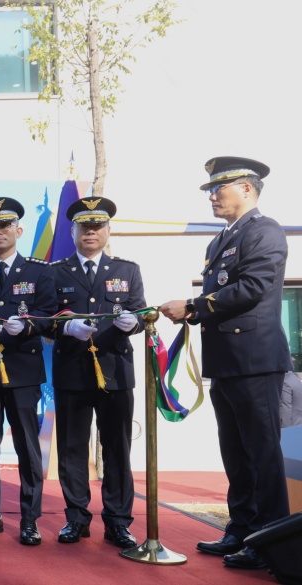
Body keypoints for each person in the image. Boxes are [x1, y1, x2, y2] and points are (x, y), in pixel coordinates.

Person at [160, 156, 291, 570]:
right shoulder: (218, 242)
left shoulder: (264, 231)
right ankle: (241, 528)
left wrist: (194, 306)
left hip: (254, 360)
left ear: (247, 189)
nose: (212, 195)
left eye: (220, 188)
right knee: (235, 453)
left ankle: (271, 541)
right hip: (227, 362)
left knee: (262, 455)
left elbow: (252, 286)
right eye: (210, 190)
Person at [46, 196, 144, 548]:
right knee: (72, 448)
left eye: (97, 225)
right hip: (72, 370)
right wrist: (63, 328)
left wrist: (134, 323)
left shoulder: (127, 270)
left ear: (107, 229)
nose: (90, 231)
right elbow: (42, 320)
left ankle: (118, 520)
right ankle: (76, 518)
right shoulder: (55, 272)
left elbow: (139, 313)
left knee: (117, 448)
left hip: (115, 371)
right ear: (73, 231)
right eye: (83, 226)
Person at [0, 198, 56, 545]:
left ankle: (30, 519)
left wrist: (29, 326)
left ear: (18, 230)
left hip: (22, 371)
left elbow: (50, 315)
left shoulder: (39, 271)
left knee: (27, 446)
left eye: (5, 226)